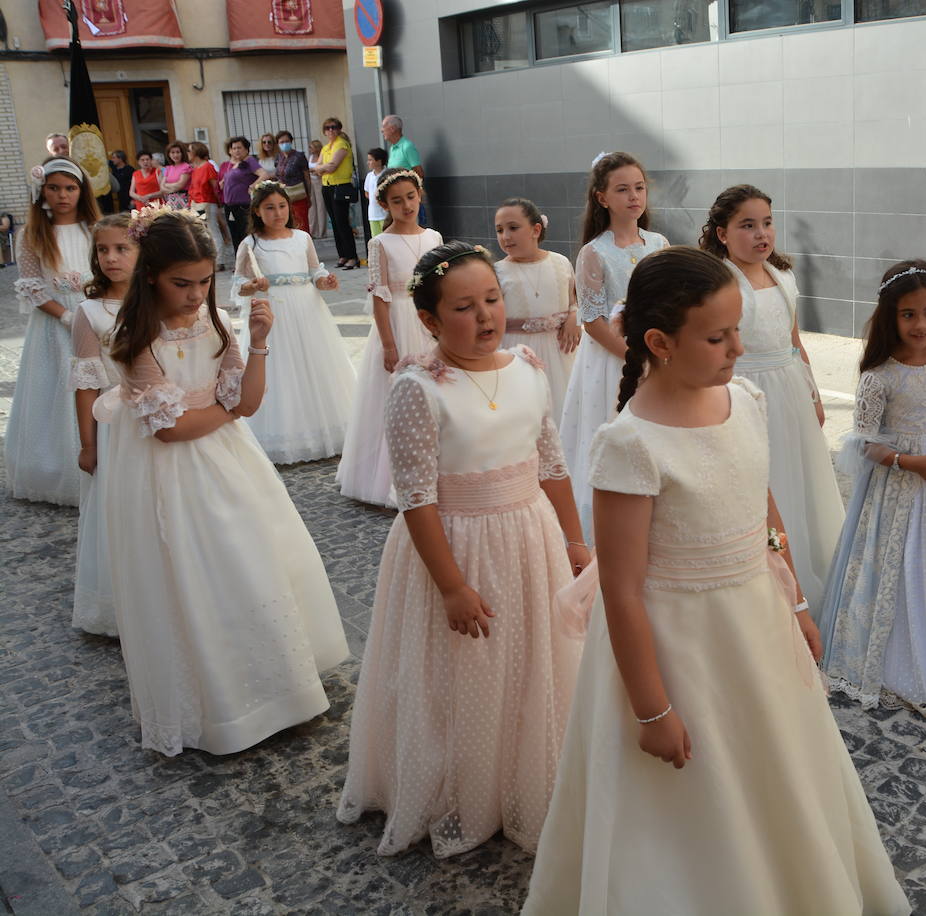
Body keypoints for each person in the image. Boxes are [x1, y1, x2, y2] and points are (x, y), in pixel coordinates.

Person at [522, 247, 908, 915]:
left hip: (756, 624)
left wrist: (798, 604)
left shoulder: (746, 399)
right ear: (660, 343)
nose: (739, 345)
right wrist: (651, 709)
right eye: (719, 335)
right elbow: (620, 588)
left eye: (738, 329)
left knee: (775, 767)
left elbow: (763, 513)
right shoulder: (630, 444)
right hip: (678, 651)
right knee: (697, 795)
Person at [337, 241, 589, 857]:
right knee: (465, 669)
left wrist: (576, 539)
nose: (485, 317)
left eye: (492, 300)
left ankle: (525, 773)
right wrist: (450, 583)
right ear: (428, 320)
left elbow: (551, 463)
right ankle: (466, 781)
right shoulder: (419, 388)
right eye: (464, 307)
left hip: (528, 538)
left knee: (533, 658)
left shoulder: (528, 367)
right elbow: (417, 499)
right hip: (457, 546)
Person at [98, 207, 350, 756]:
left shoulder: (214, 324)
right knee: (192, 575)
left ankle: (278, 686)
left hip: (231, 466)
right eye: (181, 283)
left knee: (250, 562)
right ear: (150, 277)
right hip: (171, 478)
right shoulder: (136, 336)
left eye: (205, 281)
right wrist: (226, 411)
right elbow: (172, 432)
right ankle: (221, 705)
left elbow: (250, 400)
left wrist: (258, 340)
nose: (195, 294)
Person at [814, 259, 926, 718]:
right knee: (910, 570)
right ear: (890, 317)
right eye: (908, 314)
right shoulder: (879, 376)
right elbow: (864, 443)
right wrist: (908, 462)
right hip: (900, 488)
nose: (921, 324)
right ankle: (912, 659)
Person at [698, 184, 843, 605]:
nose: (761, 234)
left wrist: (812, 391)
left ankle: (807, 568)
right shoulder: (721, 281)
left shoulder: (782, 275)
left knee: (800, 478)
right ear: (722, 234)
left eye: (766, 223)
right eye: (747, 226)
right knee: (765, 481)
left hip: (790, 390)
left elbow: (794, 339)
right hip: (745, 391)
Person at [559, 151, 668, 542]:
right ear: (602, 198)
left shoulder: (658, 242)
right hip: (613, 359)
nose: (633, 196)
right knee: (612, 431)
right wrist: (633, 356)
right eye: (622, 189)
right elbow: (592, 320)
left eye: (638, 187)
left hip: (658, 351)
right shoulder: (594, 252)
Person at [336, 169, 442, 505]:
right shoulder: (380, 243)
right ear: (383, 205)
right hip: (397, 320)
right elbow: (380, 296)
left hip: (429, 322)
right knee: (396, 396)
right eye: (397, 201)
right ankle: (386, 478)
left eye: (411, 197)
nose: (406, 205)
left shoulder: (434, 237)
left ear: (420, 195)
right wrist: (388, 342)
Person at [231, 181, 356, 463]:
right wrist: (253, 284)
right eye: (270, 208)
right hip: (275, 312)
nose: (277, 213)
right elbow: (238, 285)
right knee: (281, 369)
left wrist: (325, 280)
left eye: (282, 206)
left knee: (315, 365)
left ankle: (324, 427)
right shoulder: (251, 244)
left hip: (307, 310)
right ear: (257, 211)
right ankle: (284, 434)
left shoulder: (302, 239)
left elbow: (314, 271)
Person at [6, 156, 98, 506]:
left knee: (96, 384)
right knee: (57, 389)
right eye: (54, 187)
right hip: (56, 323)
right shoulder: (32, 234)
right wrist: (66, 317)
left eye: (70, 188)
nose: (62, 195)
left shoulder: (93, 228)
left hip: (92, 315)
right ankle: (54, 467)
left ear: (81, 191)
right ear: (41, 190)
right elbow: (31, 286)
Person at [68, 212, 138, 637]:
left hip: (159, 417)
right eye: (103, 250)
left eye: (122, 248)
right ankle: (121, 598)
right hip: (114, 427)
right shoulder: (89, 312)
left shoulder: (156, 298)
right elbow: (85, 384)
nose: (111, 258)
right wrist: (89, 445)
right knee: (121, 506)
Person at [495, 197, 580, 422]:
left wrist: (574, 315)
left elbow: (574, 300)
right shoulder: (497, 272)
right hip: (518, 353)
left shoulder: (561, 262)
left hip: (560, 350)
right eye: (499, 230)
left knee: (563, 410)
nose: (506, 236)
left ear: (536, 229)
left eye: (513, 228)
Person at [317, 117, 359, 269]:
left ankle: (352, 256)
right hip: (327, 186)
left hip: (340, 186)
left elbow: (332, 166)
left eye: (334, 127)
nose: (331, 130)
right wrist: (321, 167)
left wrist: (321, 167)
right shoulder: (326, 147)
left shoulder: (342, 145)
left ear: (339, 129)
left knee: (342, 223)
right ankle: (342, 255)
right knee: (334, 223)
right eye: (327, 128)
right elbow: (317, 166)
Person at [220, 136, 268, 252]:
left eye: (239, 148)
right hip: (230, 206)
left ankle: (250, 262)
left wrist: (253, 185)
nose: (237, 150)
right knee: (235, 236)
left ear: (246, 149)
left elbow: (264, 175)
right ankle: (240, 262)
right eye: (234, 148)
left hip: (243, 205)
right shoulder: (234, 164)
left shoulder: (249, 161)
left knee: (245, 234)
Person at [186, 142, 226, 271]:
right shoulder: (196, 168)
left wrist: (219, 203)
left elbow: (215, 187)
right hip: (197, 203)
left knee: (212, 230)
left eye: (189, 150)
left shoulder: (207, 166)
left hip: (206, 202)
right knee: (203, 232)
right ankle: (210, 259)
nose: (187, 153)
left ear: (196, 152)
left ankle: (219, 261)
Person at [382, 115, 425, 225]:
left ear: (392, 128)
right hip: (396, 199)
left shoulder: (407, 146)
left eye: (384, 127)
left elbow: (419, 172)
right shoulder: (392, 148)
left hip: (408, 200)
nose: (382, 130)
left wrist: (413, 196)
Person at [274, 130, 311, 233]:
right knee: (288, 225)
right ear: (278, 144)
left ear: (291, 142)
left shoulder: (299, 156)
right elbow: (277, 175)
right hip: (284, 196)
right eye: (281, 142)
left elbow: (307, 177)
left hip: (298, 195)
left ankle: (305, 247)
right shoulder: (278, 157)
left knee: (302, 224)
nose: (284, 144)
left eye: (287, 141)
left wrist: (309, 195)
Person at [160, 141, 193, 209]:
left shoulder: (186, 167)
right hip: (171, 201)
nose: (175, 155)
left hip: (184, 200)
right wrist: (172, 188)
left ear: (182, 153)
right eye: (172, 152)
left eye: (178, 152)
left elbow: (180, 185)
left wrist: (167, 185)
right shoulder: (168, 168)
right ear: (168, 154)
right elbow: (162, 187)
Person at [362, 147, 386, 239]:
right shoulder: (369, 176)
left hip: (385, 214)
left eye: (370, 160)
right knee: (376, 239)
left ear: (379, 161)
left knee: (387, 237)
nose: (368, 162)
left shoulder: (386, 174)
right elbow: (367, 193)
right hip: (372, 214)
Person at [306, 139, 328, 238]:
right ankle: (313, 230)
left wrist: (315, 171)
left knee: (321, 206)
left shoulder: (321, 157)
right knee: (312, 207)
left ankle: (322, 231)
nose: (310, 149)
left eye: (312, 147)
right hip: (311, 181)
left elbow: (322, 169)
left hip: (320, 181)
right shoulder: (310, 157)